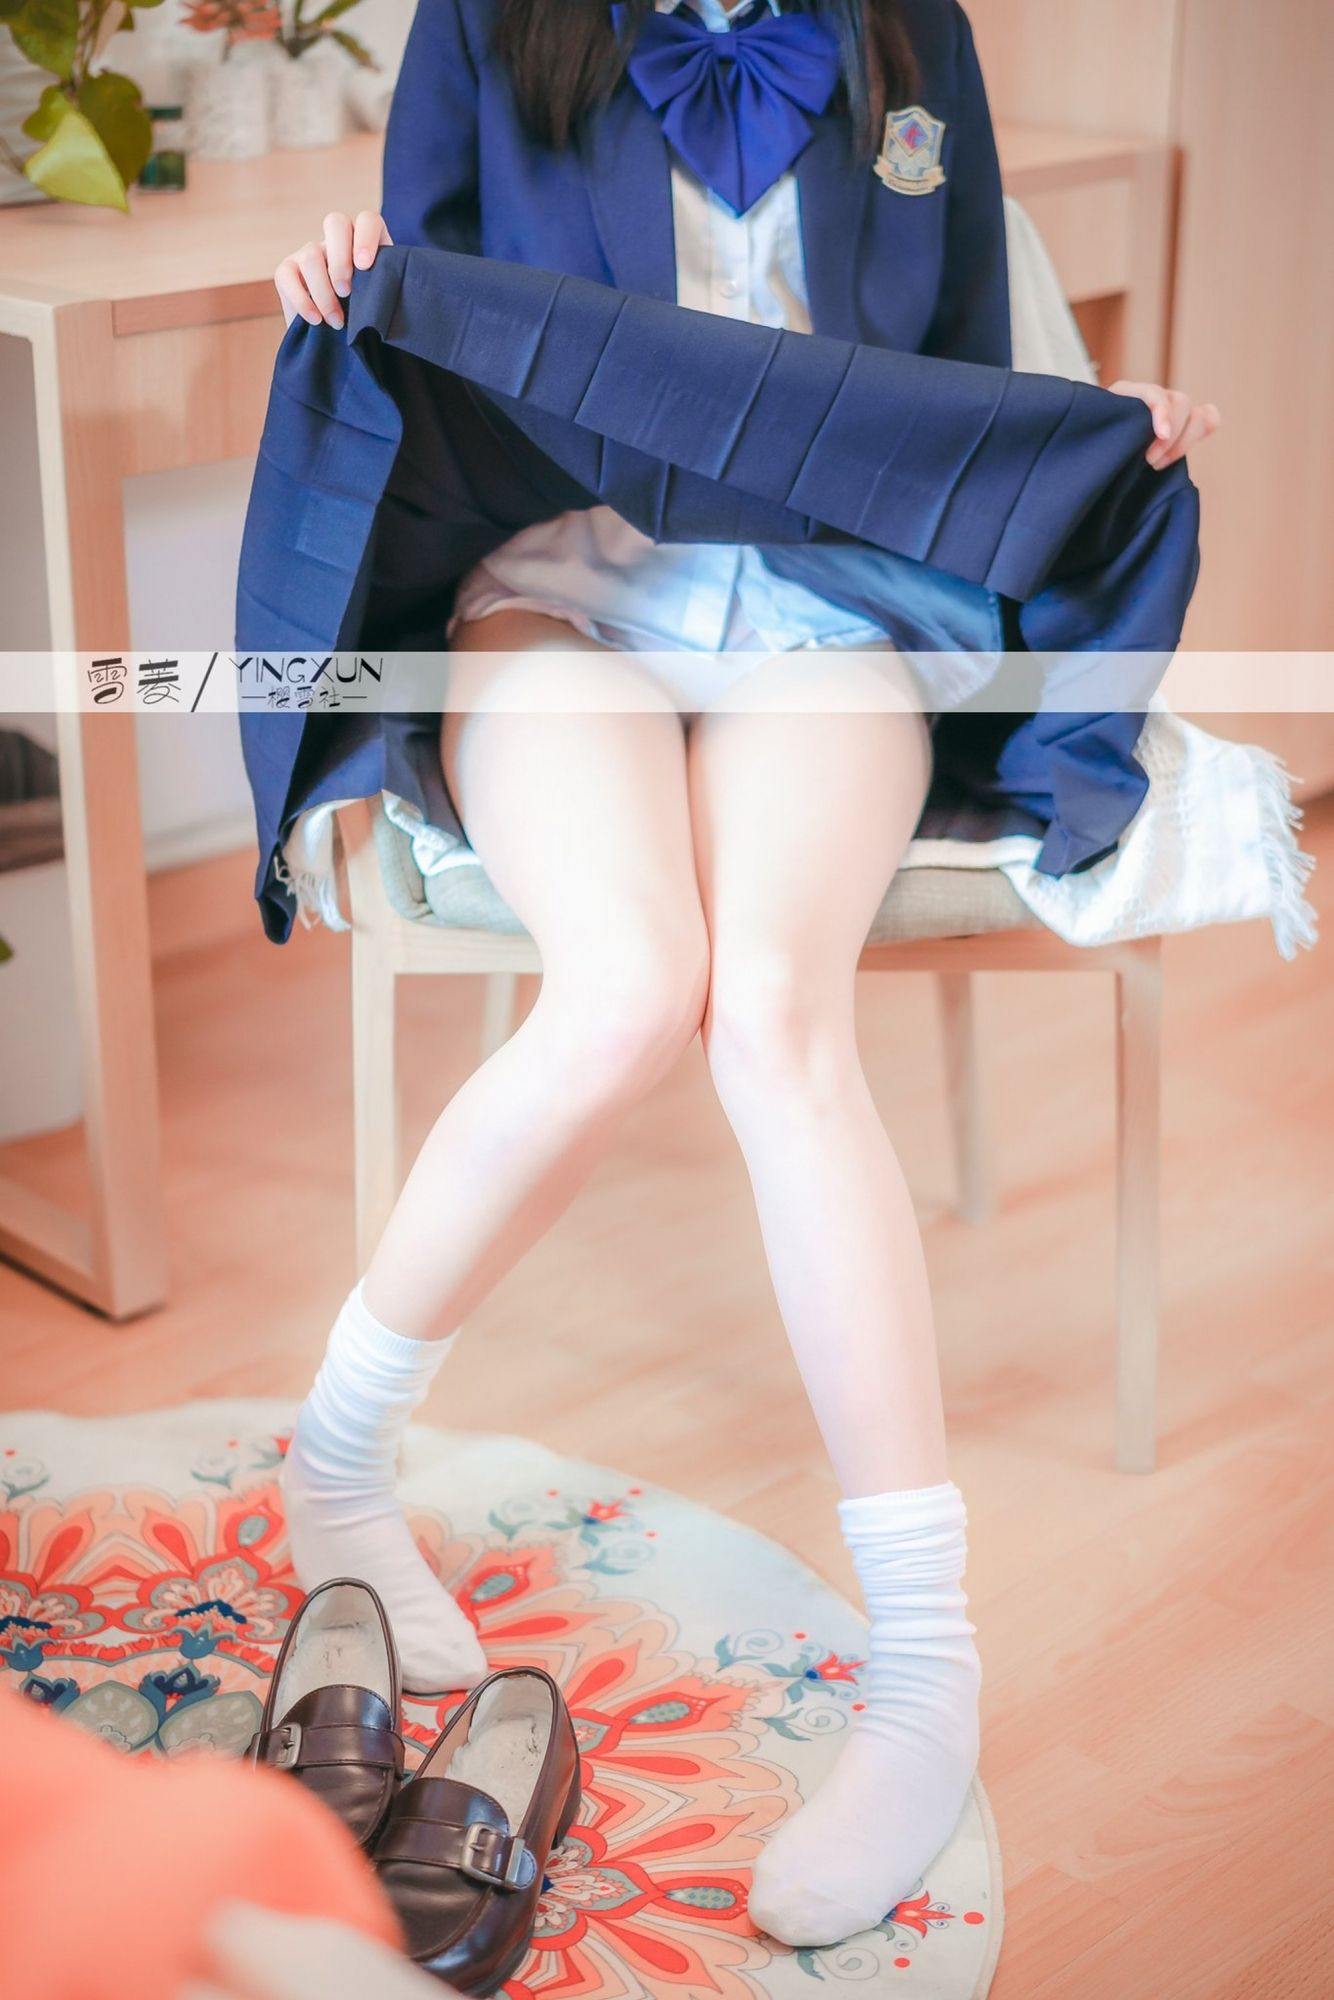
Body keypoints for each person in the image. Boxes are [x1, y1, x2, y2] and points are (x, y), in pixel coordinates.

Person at [270, 0, 1220, 1948]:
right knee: (627, 990)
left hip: (825, 598)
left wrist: (1088, 435)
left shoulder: (904, 28)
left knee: (778, 1020)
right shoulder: (489, 19)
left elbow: (962, 364)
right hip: (561, 582)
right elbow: (427, 316)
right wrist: (341, 276)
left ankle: (926, 1665)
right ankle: (336, 1460)